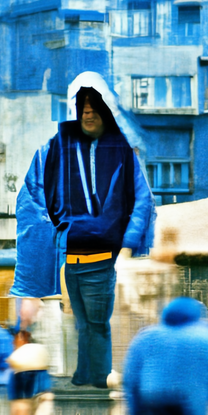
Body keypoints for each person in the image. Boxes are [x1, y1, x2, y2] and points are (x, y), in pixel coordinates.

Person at [39, 77, 155, 389]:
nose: (87, 114)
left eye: (93, 107)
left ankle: (98, 378)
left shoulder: (121, 151)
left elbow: (143, 199)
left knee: (96, 324)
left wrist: (129, 244)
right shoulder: (60, 148)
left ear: (105, 110)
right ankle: (84, 375)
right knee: (82, 324)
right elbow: (47, 194)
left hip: (102, 258)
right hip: (71, 260)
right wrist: (61, 229)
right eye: (82, 108)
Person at [6, 330, 53, 415]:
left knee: (21, 413)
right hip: (37, 379)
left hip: (22, 379)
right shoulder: (38, 352)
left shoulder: (19, 355)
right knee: (37, 411)